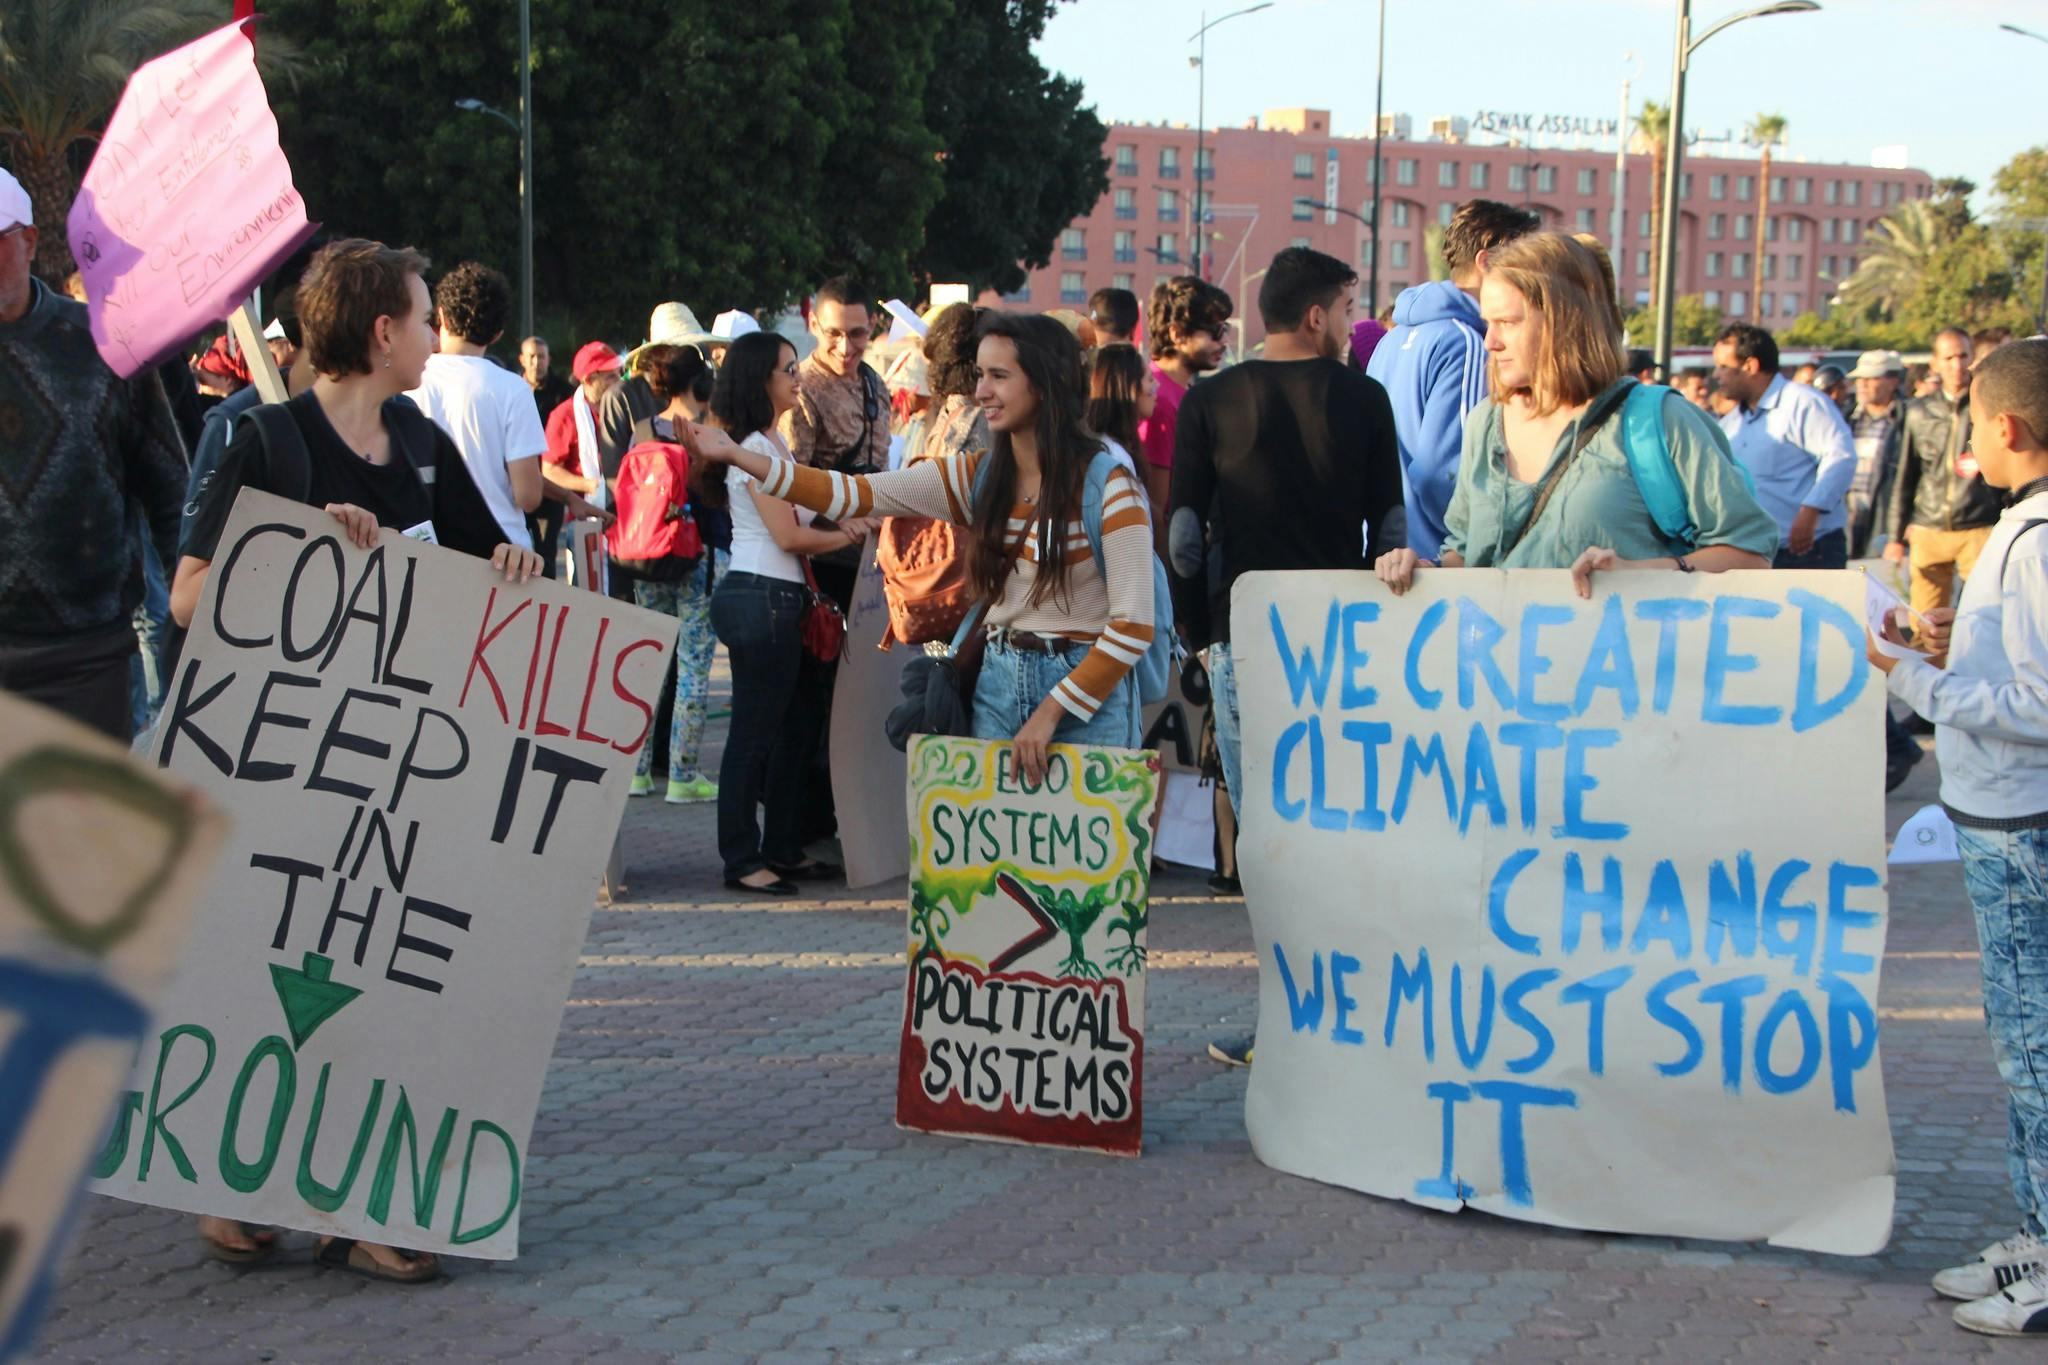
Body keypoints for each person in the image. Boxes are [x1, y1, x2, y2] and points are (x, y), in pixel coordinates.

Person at [171, 238, 543, 1283]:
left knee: (388, 979)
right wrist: (298, 545)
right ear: (383, 332)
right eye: (424, 318)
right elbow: (187, 598)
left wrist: (509, 561)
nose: (435, 336)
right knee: (287, 975)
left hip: (405, 777)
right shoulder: (261, 440)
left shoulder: (421, 441)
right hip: (291, 775)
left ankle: (369, 1200)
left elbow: (483, 565)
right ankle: (242, 1189)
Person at [688, 312, 1157, 780]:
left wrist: (1051, 712)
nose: (981, 392)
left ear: (1045, 384)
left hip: (1087, 701)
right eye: (979, 375)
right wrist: (735, 454)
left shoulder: (1110, 487)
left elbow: (1134, 625)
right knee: (992, 855)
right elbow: (851, 494)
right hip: (998, 680)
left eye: (998, 376)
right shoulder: (978, 476)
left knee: (1073, 854)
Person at [1164, 247, 1404, 1067]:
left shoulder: (1208, 398)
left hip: (1245, 639)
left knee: (1267, 835)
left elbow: (1184, 538)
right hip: (1343, 644)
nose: (1348, 321)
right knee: (1345, 826)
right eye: (1345, 307)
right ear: (1316, 316)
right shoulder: (1366, 398)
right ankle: (1353, 1014)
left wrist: (1200, 635)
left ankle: (1285, 1020)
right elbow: (1392, 530)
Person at [1873, 338, 2048, 1339]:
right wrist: (1947, 643)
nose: (1967, 434)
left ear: (2005, 430)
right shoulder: (2018, 534)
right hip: (2000, 816)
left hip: (2016, 821)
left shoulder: (2032, 541)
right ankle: (2033, 1227)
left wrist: (1909, 680)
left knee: (2030, 1049)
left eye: (1974, 419)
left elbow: (2034, 701)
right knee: (2021, 1040)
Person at [1375, 230, 1774, 589]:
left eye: (1509, 322)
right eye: (1488, 323)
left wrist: (1647, 571)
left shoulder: (1660, 419)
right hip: (1501, 667)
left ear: (1563, 322)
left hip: (1624, 665)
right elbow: (1464, 554)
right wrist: (1422, 569)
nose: (1490, 342)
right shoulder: (1485, 421)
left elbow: (1750, 555)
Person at [0, 167, 187, 743]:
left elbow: (168, 485)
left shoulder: (105, 341)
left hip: (87, 660)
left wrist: (189, 626)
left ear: (29, 241)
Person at [690, 331, 859, 894]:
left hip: (774, 596)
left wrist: (851, 519)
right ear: (760, 378)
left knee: (794, 729)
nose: (798, 376)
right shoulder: (755, 451)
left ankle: (782, 846)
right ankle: (742, 857)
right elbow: (789, 536)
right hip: (761, 595)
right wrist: (847, 536)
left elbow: (802, 521)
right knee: (756, 734)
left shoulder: (770, 445)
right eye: (788, 368)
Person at [1366, 200, 1540, 561]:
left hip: (1386, 555)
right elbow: (1448, 471)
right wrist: (1471, 545)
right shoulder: (1466, 341)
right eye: (1527, 262)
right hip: (1437, 561)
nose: (1534, 276)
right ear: (1487, 260)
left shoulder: (1392, 338)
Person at [620, 343, 723, 804]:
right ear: (700, 383)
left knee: (650, 662)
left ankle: (636, 771)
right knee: (693, 667)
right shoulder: (706, 432)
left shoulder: (642, 430)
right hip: (693, 557)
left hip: (645, 558)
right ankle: (683, 774)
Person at [404, 263, 548, 550]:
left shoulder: (408, 377)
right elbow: (528, 496)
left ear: (441, 316)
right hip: (503, 550)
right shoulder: (513, 389)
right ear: (497, 333)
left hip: (428, 544)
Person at [1886, 328, 2001, 668]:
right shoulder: (1918, 411)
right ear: (1934, 362)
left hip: (1977, 525)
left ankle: (1974, 687)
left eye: (1963, 355)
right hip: (1928, 527)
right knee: (1926, 624)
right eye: (1948, 357)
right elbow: (1904, 475)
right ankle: (1929, 704)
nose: (1956, 364)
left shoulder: (1987, 405)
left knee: (1982, 615)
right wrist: (1895, 536)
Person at [779, 276, 890, 610]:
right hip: (822, 562)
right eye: (834, 334)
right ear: (813, 324)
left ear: (872, 324)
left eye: (857, 333)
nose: (845, 347)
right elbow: (792, 484)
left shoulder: (875, 382)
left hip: (875, 559)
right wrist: (843, 523)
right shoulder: (799, 389)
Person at [1711, 322, 1856, 569]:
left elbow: (1840, 457)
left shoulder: (1803, 403)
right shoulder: (1732, 422)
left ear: (1750, 366)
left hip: (1809, 552)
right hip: (1758, 555)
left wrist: (1810, 511)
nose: (1716, 375)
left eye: (1723, 367)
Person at [1139, 275, 1234, 518]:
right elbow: (1157, 509)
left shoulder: (1178, 394)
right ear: (1177, 334)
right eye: (1215, 331)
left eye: (1226, 329)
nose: (1224, 341)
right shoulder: (1158, 402)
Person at [1844, 349, 1908, 559]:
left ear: (1893, 381)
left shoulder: (1906, 420)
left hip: (1884, 517)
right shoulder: (1847, 418)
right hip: (1849, 515)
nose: (1862, 384)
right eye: (1860, 378)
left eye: (1872, 378)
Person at [1084, 342, 1157, 503]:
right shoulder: (1114, 457)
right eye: (1150, 380)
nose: (1155, 387)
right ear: (1130, 387)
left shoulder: (1115, 447)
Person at [521, 335, 574, 418]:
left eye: (541, 357)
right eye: (532, 356)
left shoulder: (565, 392)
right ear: (522, 360)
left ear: (548, 360)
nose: (536, 362)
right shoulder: (511, 390)